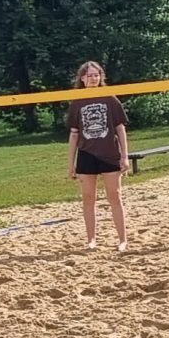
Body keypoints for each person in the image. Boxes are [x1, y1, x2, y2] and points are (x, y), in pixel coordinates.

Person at [66, 60, 133, 252]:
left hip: (109, 153)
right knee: (88, 197)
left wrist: (124, 156)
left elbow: (120, 129)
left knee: (115, 196)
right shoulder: (77, 101)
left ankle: (122, 239)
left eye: (96, 75)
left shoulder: (110, 98)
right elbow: (74, 134)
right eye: (90, 75)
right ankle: (91, 240)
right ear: (82, 78)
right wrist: (70, 164)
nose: (94, 78)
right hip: (86, 154)